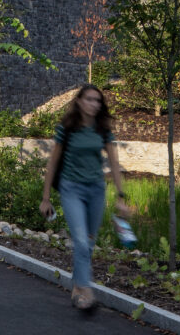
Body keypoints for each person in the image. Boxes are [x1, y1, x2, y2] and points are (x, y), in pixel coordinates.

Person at [40, 84, 130, 311]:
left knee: (88, 243)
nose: (94, 104)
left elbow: (114, 164)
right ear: (79, 101)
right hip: (72, 190)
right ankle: (86, 291)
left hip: (96, 190)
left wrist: (121, 195)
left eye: (97, 101)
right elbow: (52, 163)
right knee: (81, 240)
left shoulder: (102, 129)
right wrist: (46, 197)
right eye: (89, 99)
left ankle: (76, 288)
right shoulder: (67, 128)